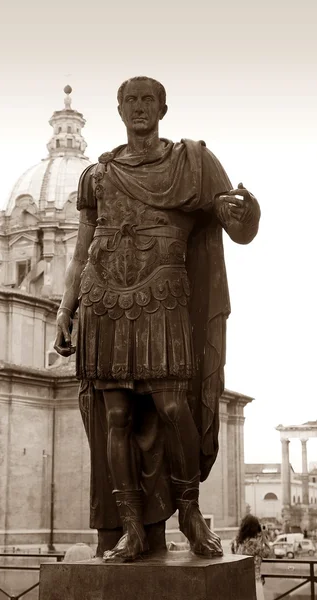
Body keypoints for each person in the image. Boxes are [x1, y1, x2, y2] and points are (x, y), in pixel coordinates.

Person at [54, 76, 261, 562]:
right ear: (120, 109)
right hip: (103, 300)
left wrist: (248, 214)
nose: (139, 108)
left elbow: (238, 228)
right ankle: (132, 527)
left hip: (164, 296)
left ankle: (188, 513)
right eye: (131, 100)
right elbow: (82, 250)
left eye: (149, 100)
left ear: (163, 109)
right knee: (117, 417)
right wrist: (66, 310)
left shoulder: (193, 162)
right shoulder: (96, 176)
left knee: (173, 408)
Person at [232, 515, 270, 599]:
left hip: (240, 580)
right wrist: (264, 537)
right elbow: (267, 552)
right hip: (253, 581)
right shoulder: (254, 543)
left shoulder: (237, 542)